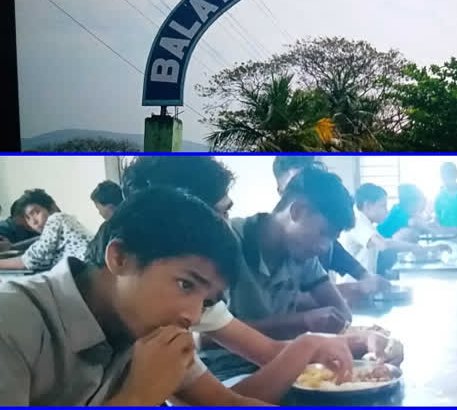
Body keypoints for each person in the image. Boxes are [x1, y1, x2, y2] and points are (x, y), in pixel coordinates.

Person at [86, 156, 400, 400]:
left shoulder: (173, 316)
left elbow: (229, 398)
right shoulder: (41, 320)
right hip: (228, 369)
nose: (224, 230)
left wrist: (340, 343)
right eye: (217, 215)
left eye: (225, 213)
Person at [0, 187, 267, 406]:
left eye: (206, 301)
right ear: (120, 257)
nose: (194, 316)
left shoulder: (151, 327)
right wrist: (137, 397)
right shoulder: (8, 321)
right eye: (186, 284)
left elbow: (224, 402)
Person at [197, 166, 398, 380]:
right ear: (297, 212)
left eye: (332, 239)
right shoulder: (228, 243)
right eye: (324, 233)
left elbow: (342, 316)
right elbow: (201, 334)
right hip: (222, 375)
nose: (324, 247)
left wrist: (369, 343)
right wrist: (300, 321)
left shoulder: (303, 256)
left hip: (280, 364)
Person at [273, 156, 390, 297]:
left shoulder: (321, 235)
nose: (308, 192)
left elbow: (335, 251)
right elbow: (284, 302)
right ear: (281, 190)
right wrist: (353, 288)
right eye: (296, 184)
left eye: (312, 183)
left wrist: (364, 275)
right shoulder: (276, 239)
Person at [340, 183, 446, 295]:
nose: (386, 211)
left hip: (363, 285)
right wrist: (415, 247)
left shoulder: (368, 224)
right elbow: (383, 244)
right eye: (383, 206)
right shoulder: (358, 221)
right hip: (353, 288)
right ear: (368, 206)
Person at [0, 189, 92, 271]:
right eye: (28, 218)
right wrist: (12, 247)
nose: (33, 222)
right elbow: (39, 242)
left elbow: (29, 260)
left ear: (52, 208)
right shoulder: (66, 221)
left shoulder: (56, 219)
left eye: (36, 212)